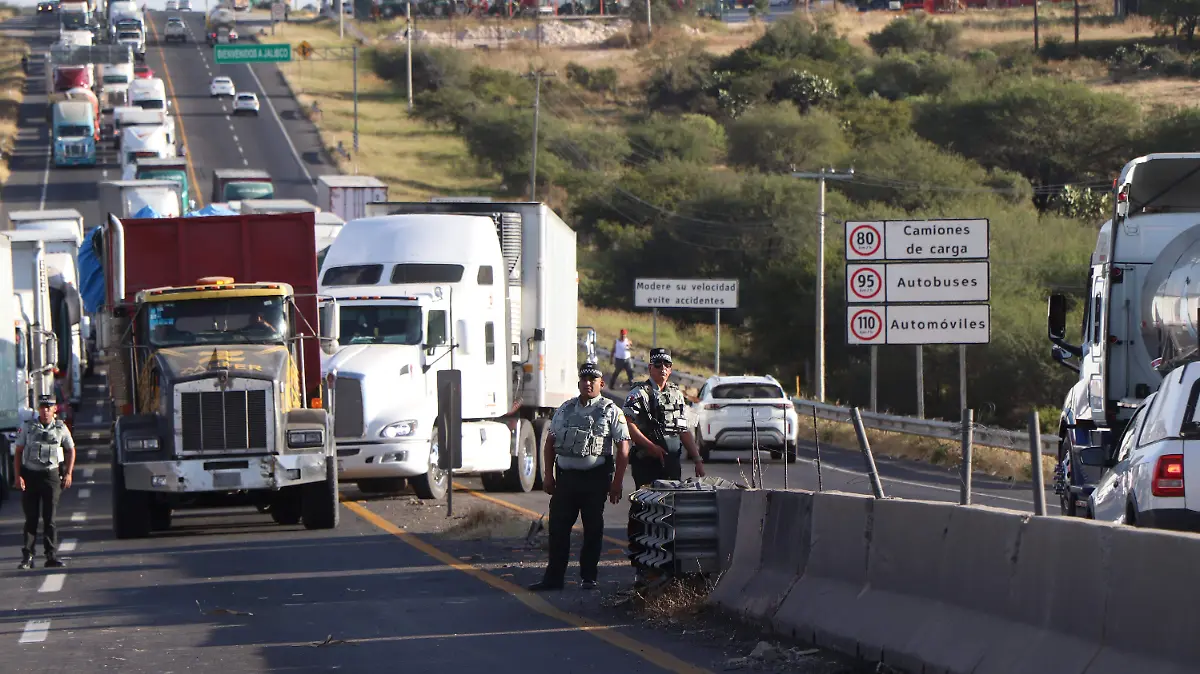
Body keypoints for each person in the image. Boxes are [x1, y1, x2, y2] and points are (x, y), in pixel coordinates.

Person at [528, 361, 630, 592]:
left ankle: (588, 577)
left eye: (592, 380)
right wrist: (548, 475)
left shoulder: (611, 410)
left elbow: (623, 449)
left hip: (595, 479)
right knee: (558, 528)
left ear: (601, 383)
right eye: (584, 379)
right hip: (566, 479)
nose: (587, 383)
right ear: (579, 383)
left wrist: (617, 483)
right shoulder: (565, 409)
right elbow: (550, 443)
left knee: (593, 528)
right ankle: (553, 579)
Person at [622, 347, 704, 488]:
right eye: (658, 365)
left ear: (671, 369)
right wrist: (651, 446)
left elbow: (683, 430)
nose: (663, 369)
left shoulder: (676, 395)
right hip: (647, 462)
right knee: (645, 505)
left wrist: (697, 459)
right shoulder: (639, 393)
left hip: (671, 462)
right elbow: (628, 425)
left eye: (667, 365)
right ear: (650, 367)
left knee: (672, 504)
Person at [14, 395, 76, 570]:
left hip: (51, 476)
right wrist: (18, 476)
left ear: (55, 409)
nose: (45, 410)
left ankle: (51, 556)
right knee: (31, 518)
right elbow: (18, 452)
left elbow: (71, 450)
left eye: (49, 407)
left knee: (49, 518)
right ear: (38, 409)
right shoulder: (28, 427)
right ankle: (28, 556)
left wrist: (69, 473)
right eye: (42, 407)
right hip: (30, 475)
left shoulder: (60, 428)